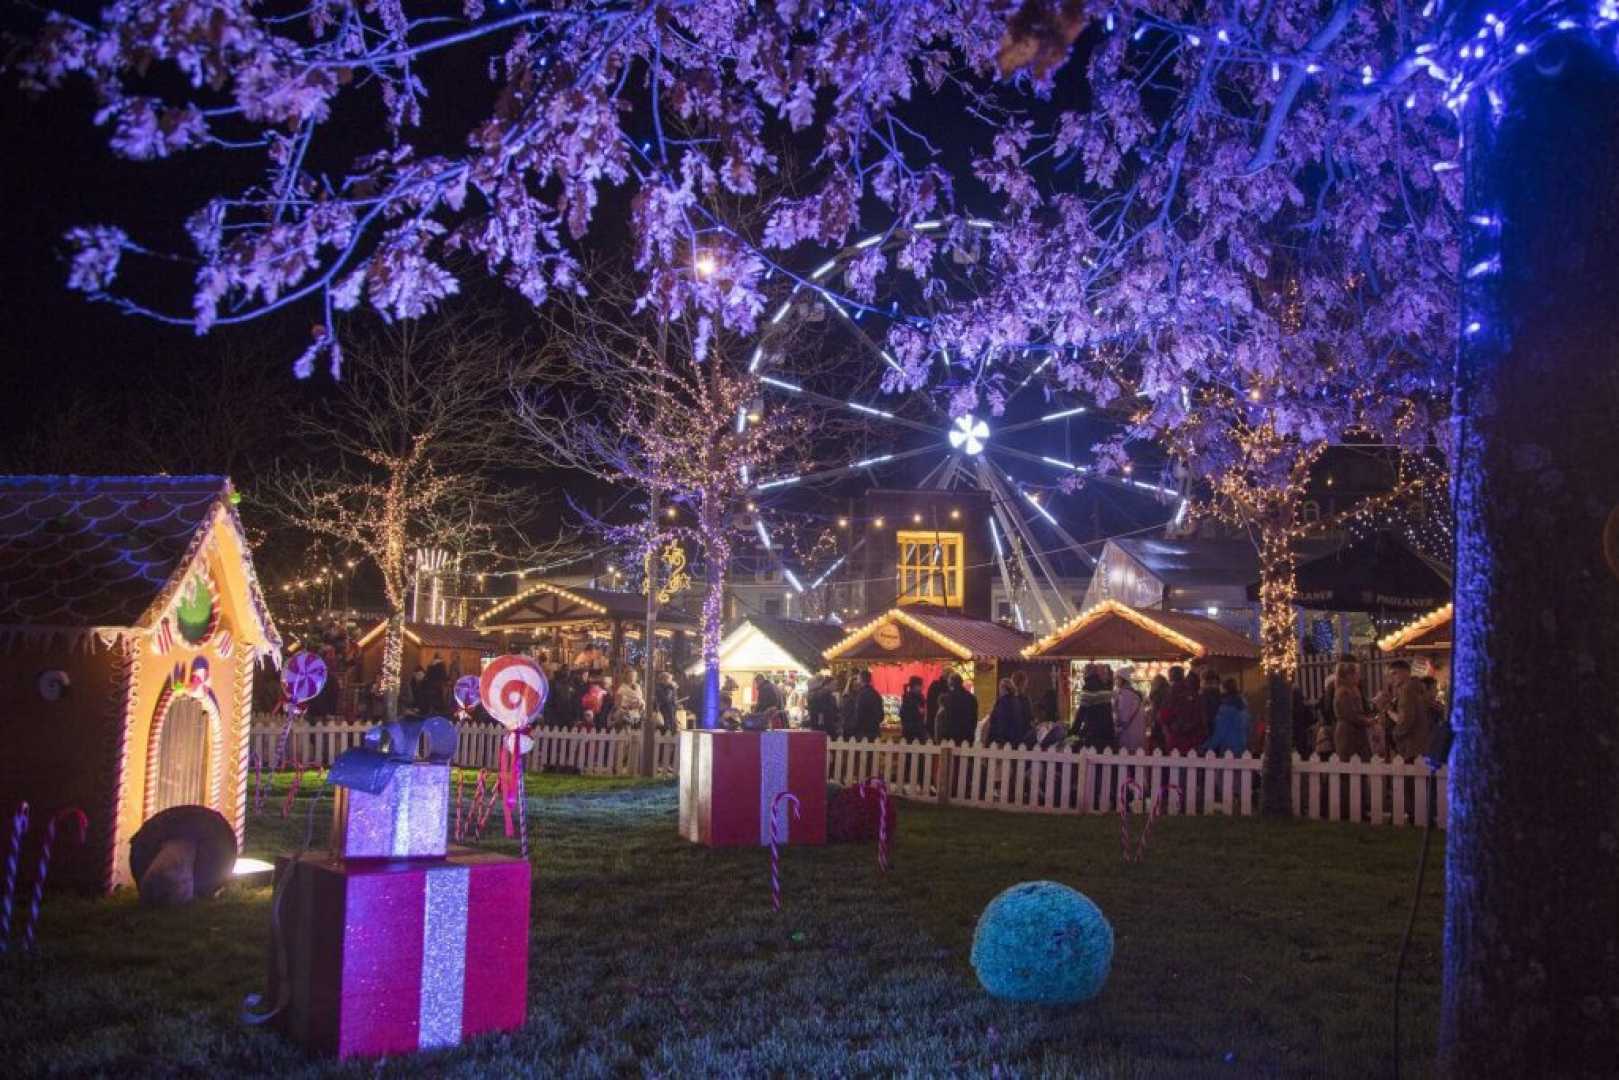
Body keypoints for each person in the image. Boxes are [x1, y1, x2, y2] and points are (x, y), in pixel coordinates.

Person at [1383, 659, 1433, 760]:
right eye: (1390, 675)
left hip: (1410, 746)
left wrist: (1395, 735)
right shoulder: (1418, 689)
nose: (1391, 678)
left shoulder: (1407, 691)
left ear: (1406, 672)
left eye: (1394, 673)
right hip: (1422, 745)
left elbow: (1405, 720)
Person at [1332, 659, 1373, 760]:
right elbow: (1350, 715)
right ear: (1348, 676)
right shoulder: (1343, 692)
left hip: (1356, 731)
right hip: (1348, 733)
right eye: (1357, 674)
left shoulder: (1353, 689)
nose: (1359, 676)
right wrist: (1367, 721)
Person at [1202, 679, 1250, 754]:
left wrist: (1207, 746)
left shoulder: (1225, 709)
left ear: (1225, 690)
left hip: (1228, 748)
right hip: (1242, 746)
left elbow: (1219, 732)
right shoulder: (1243, 707)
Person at [1073, 666, 1115, 750]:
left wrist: (1073, 731)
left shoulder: (1088, 687)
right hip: (1107, 732)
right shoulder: (1104, 686)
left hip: (1094, 732)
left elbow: (1082, 712)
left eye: (1083, 672)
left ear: (1087, 674)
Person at [1113, 666, 1147, 751]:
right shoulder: (1134, 694)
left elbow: (1124, 717)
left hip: (1129, 735)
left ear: (1122, 680)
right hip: (1137, 733)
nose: (1115, 682)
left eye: (1117, 679)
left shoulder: (1124, 694)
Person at [940, 673, 978, 744]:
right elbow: (974, 717)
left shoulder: (948, 698)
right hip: (967, 734)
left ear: (951, 684)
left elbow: (946, 718)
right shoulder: (971, 698)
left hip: (952, 735)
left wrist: (944, 734)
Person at [987, 678, 1024, 746]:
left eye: (1000, 687)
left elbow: (1001, 721)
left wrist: (997, 738)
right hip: (1014, 739)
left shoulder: (1002, 702)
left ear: (1003, 688)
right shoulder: (1017, 701)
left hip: (1001, 740)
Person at [851, 669, 885, 740]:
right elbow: (881, 714)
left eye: (857, 679)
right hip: (874, 730)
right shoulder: (876, 694)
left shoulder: (861, 695)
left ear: (861, 679)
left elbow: (858, 714)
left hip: (863, 732)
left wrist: (854, 727)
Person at [1145, 673, 1171, 752]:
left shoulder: (1155, 695)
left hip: (1158, 726)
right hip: (1167, 726)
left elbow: (1155, 712)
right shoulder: (1168, 694)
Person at [898, 675, 927, 742]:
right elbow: (906, 715)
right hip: (912, 732)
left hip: (916, 731)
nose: (922, 687)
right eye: (920, 685)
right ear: (915, 686)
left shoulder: (917, 697)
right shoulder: (910, 699)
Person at [925, 671, 950, 741]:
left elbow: (928, 704)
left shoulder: (933, 685)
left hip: (931, 720)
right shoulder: (947, 689)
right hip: (944, 724)